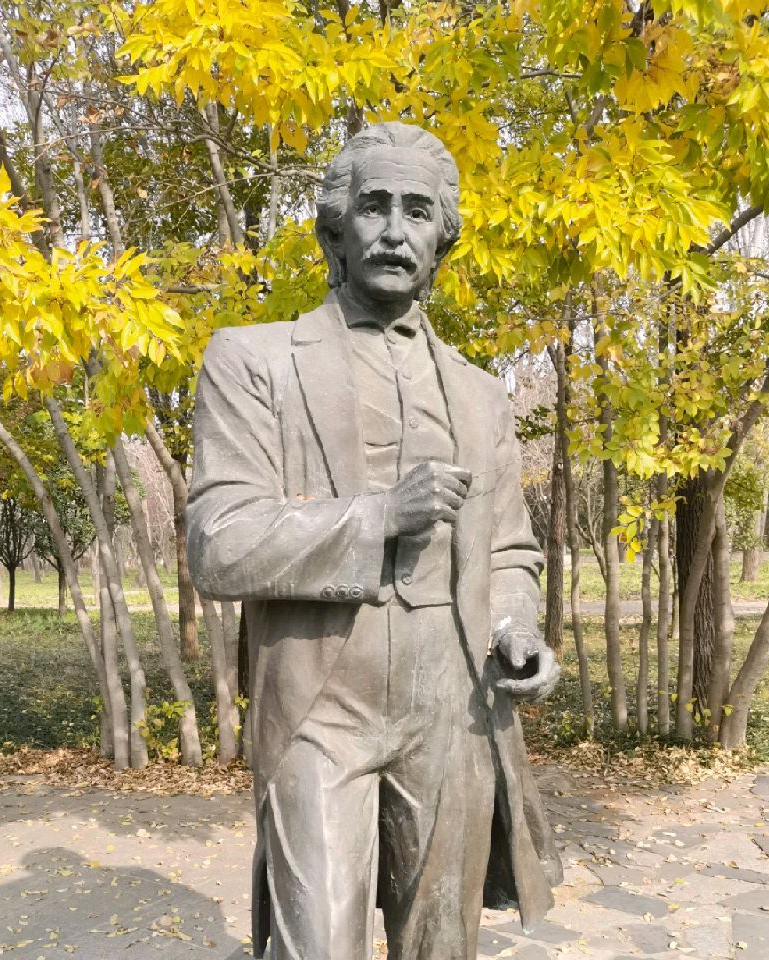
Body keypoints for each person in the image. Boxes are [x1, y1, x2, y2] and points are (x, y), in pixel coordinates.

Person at [187, 121, 562, 960]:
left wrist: (517, 628)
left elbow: (509, 551)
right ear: (335, 229)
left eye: (418, 212)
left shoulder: (480, 395)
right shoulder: (254, 361)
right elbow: (219, 542)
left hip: (454, 705)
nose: (395, 231)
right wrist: (380, 514)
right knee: (318, 945)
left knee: (442, 945)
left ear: (441, 241)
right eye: (374, 207)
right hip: (322, 702)